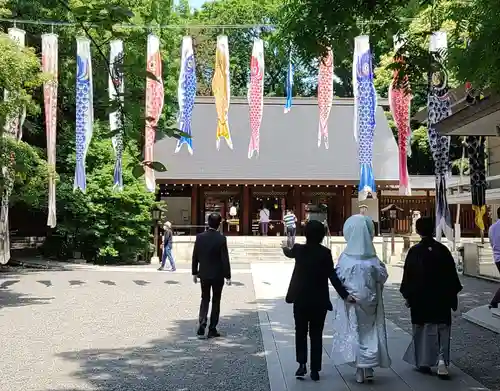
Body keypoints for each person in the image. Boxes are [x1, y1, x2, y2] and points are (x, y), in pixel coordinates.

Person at [283, 220, 356, 382]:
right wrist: (345, 295)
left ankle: (301, 364)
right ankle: (315, 369)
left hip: (300, 298)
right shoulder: (325, 253)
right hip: (319, 300)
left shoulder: (299, 250)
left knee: (300, 332)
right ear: (322, 235)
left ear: (306, 234)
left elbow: (289, 252)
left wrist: (284, 248)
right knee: (316, 334)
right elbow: (332, 275)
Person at [330, 214, 391, 384]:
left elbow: (338, 277)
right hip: (371, 300)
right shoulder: (372, 258)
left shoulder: (345, 258)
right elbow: (383, 276)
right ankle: (369, 366)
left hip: (352, 300)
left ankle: (359, 368)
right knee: (370, 332)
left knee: (354, 331)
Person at [400, 216, 462, 378]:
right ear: (433, 230)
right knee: (442, 328)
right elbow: (452, 277)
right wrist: (452, 297)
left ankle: (424, 361)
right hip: (441, 299)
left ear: (418, 231)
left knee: (422, 329)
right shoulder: (443, 250)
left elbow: (408, 277)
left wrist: (408, 296)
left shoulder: (414, 252)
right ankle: (442, 360)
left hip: (421, 299)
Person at [192, 213, 231, 338]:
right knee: (216, 300)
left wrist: (194, 272)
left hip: (203, 273)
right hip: (218, 274)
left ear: (208, 222)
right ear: (219, 224)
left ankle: (202, 321)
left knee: (204, 298)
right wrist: (228, 276)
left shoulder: (200, 237)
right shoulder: (221, 238)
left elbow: (195, 256)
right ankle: (212, 328)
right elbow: (225, 259)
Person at [488, 207, 500, 308]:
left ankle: (495, 302)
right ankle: (494, 302)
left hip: (497, 257)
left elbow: (491, 243)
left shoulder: (492, 227)